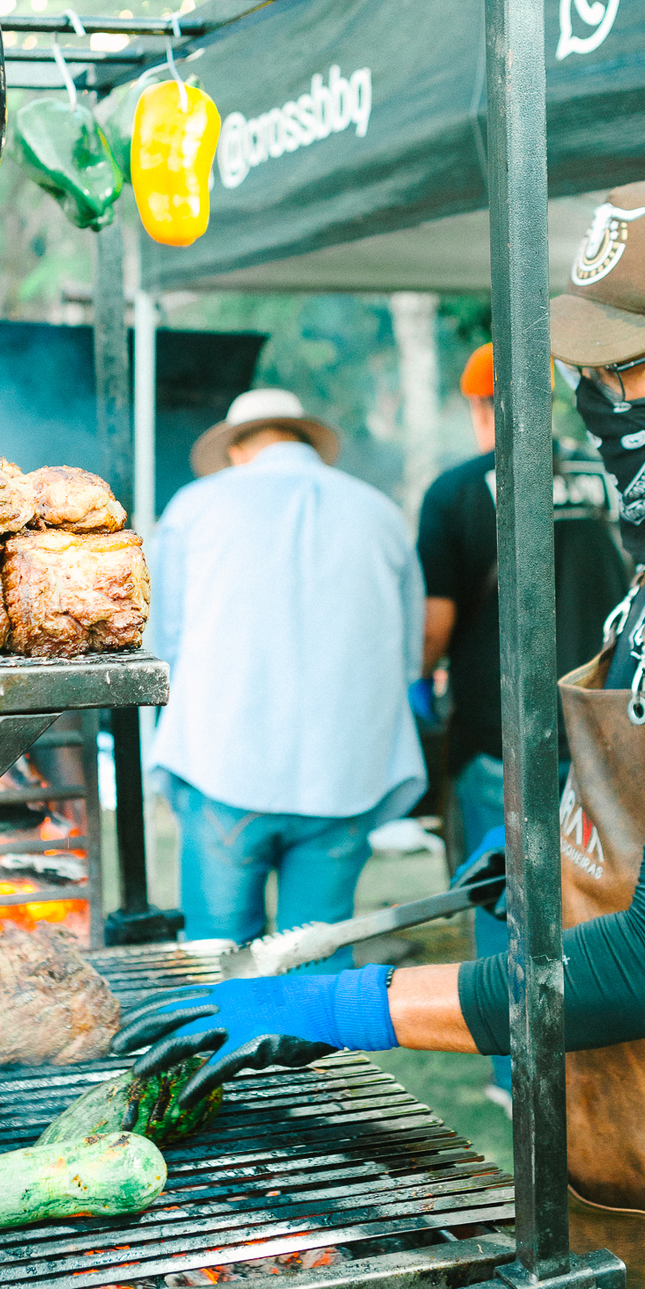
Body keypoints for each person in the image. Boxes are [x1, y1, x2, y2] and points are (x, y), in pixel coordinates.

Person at [120, 176, 645, 1289]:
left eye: (629, 369)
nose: (600, 401)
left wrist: (344, 1006)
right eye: (588, 370)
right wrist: (555, 850)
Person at [416, 340, 629, 1109]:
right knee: (598, 892)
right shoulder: (607, 475)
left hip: (502, 729)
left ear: (480, 405)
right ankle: (595, 1061)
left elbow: (435, 626)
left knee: (502, 894)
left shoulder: (455, 492)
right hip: (605, 728)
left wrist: (418, 678)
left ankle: (514, 1071)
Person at [146, 387, 426, 960]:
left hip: (222, 765)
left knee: (219, 956)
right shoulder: (380, 512)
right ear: (304, 441)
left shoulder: (195, 507)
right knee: (314, 958)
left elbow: (159, 646)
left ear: (237, 450)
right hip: (345, 773)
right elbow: (407, 656)